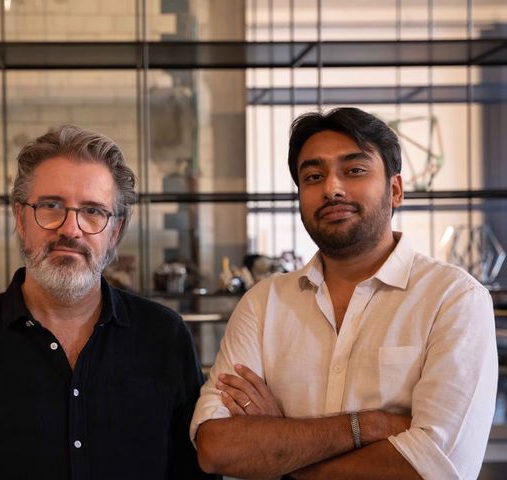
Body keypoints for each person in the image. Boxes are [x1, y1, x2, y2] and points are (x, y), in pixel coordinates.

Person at [191, 107, 498, 479]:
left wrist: (282, 448)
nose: (332, 189)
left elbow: (433, 468)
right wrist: (368, 425)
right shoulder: (263, 304)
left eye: (354, 170)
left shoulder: (453, 299)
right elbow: (216, 447)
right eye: (313, 176)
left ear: (395, 190)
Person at [0, 126, 216, 480]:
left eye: (92, 211)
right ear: (21, 218)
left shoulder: (165, 337)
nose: (70, 229)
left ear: (114, 232)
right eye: (51, 206)